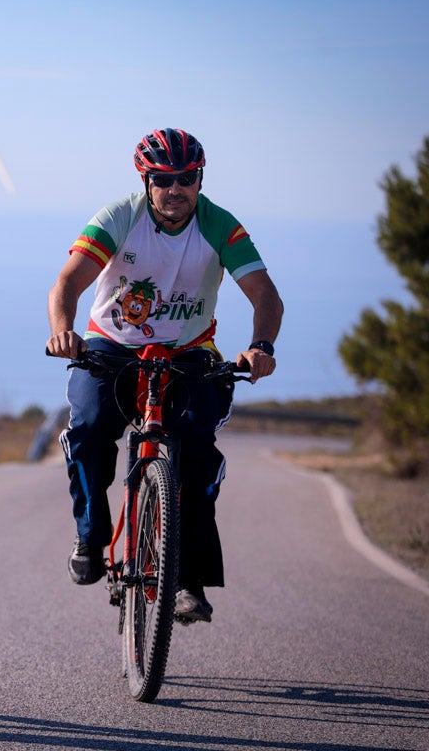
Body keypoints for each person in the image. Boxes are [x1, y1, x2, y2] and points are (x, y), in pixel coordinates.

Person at [46, 128, 283, 623]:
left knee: (195, 449)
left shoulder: (219, 225)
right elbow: (68, 282)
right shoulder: (120, 217)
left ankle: (189, 579)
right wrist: (63, 331)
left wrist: (261, 346)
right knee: (89, 428)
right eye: (164, 180)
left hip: (189, 350)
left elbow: (265, 295)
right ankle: (90, 536)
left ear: (200, 180)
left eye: (187, 178)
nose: (176, 189)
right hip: (112, 345)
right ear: (146, 181)